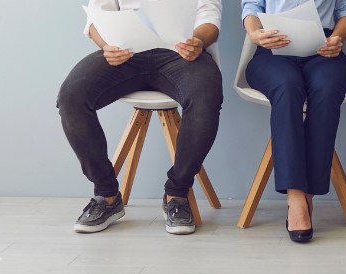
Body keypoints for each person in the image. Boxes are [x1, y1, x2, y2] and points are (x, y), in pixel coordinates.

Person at [58, 0, 223, 235]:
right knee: (71, 97)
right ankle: (107, 195)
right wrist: (107, 46)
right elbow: (95, 18)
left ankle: (177, 192)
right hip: (126, 54)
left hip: (181, 55)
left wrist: (198, 41)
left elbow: (210, 15)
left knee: (206, 96)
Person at [242, 0, 346, 243]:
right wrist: (255, 34)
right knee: (287, 86)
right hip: (272, 48)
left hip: (323, 47)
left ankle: (308, 194)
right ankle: (295, 198)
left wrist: (337, 37)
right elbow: (251, 7)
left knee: (326, 89)